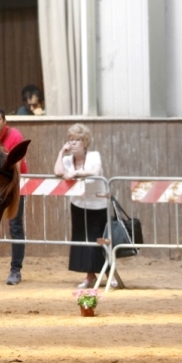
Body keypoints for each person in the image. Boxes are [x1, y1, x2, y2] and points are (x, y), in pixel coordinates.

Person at [54, 123, 107, 288]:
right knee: (83, 240)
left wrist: (76, 173)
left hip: (98, 205)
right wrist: (61, 151)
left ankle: (110, 274)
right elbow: (57, 172)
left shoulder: (94, 155)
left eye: (77, 139)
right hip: (78, 205)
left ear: (85, 142)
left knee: (100, 240)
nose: (73, 143)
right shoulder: (67, 160)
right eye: (70, 140)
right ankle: (89, 276)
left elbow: (95, 171)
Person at [0, 107, 29, 285]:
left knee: (15, 227)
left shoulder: (15, 136)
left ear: (4, 121)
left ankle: (15, 270)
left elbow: (17, 167)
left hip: (15, 185)